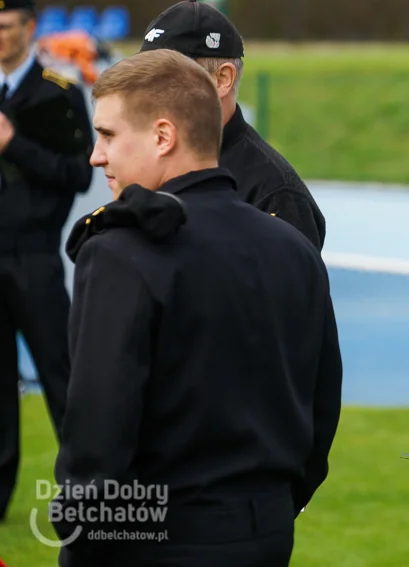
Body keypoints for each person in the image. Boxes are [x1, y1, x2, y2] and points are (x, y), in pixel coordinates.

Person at [50, 49, 343, 567]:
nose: (97, 156)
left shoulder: (122, 249)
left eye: (110, 135)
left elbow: (99, 427)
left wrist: (81, 538)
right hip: (266, 534)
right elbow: (321, 403)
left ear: (163, 137)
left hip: (151, 540)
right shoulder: (291, 247)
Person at [0, 0, 93, 522]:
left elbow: (77, 174)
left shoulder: (58, 93)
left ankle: (85, 488)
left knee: (62, 378)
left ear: (30, 29)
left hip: (35, 258)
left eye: (7, 27)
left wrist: (13, 145)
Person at [138, 0, 326, 250]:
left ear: (222, 79)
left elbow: (289, 287)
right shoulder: (148, 160)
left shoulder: (273, 192)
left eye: (163, 76)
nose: (143, 92)